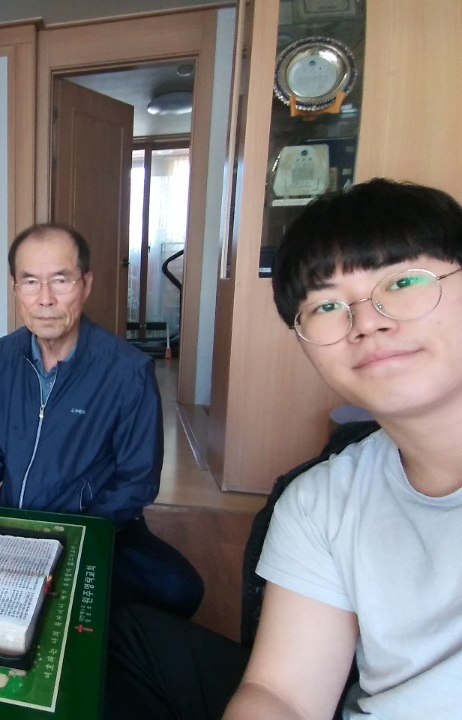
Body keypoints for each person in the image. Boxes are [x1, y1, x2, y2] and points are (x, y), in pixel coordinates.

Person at [104, 178, 462, 719]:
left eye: (403, 281)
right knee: (121, 634)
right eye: (327, 305)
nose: (367, 321)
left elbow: (135, 481)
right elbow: (283, 695)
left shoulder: (125, 367)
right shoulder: (319, 499)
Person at [0, 223, 204, 618]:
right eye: (30, 281)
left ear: (85, 285)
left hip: (94, 526)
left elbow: (136, 481)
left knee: (180, 588)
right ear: (15, 288)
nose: (45, 299)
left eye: (60, 280)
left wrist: (68, 536)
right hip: (13, 519)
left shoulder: (127, 370)